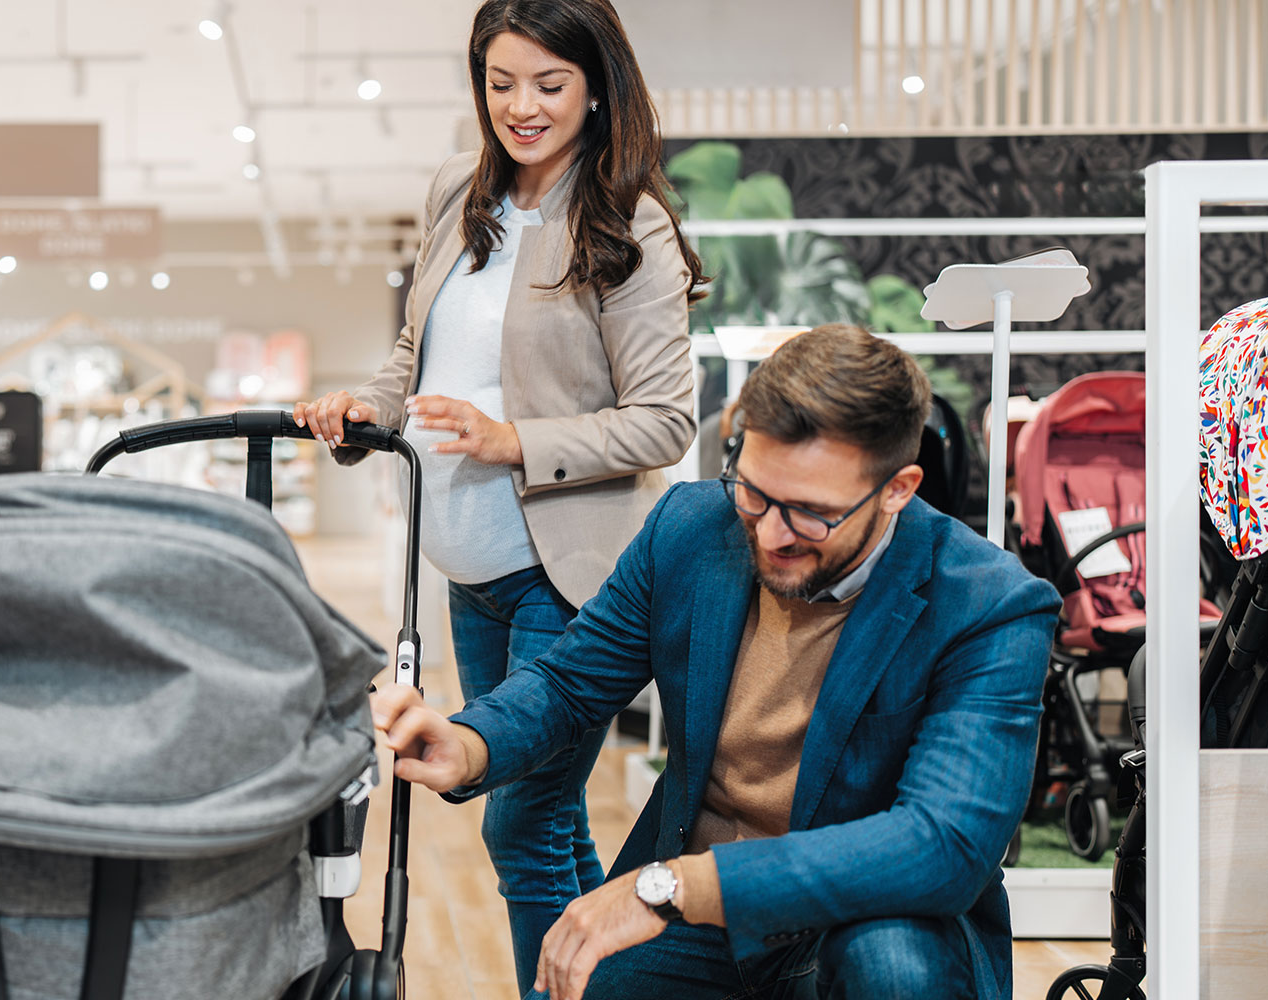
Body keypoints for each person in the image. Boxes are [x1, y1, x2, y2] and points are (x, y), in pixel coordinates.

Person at [371, 325, 1061, 1000]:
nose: (768, 532)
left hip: (856, 919)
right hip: (705, 925)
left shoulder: (989, 604)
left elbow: (942, 845)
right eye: (754, 492)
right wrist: (468, 742)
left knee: (893, 966)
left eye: (809, 513)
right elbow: (571, 680)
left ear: (897, 489)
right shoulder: (691, 528)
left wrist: (678, 888)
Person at [293, 2, 702, 990]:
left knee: (518, 813)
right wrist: (363, 409)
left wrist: (514, 439)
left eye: (548, 85)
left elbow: (662, 419)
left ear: (597, 86)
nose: (521, 107)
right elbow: (415, 354)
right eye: (500, 82)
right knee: (545, 821)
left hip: (562, 581)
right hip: (467, 572)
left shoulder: (626, 222)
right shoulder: (457, 194)